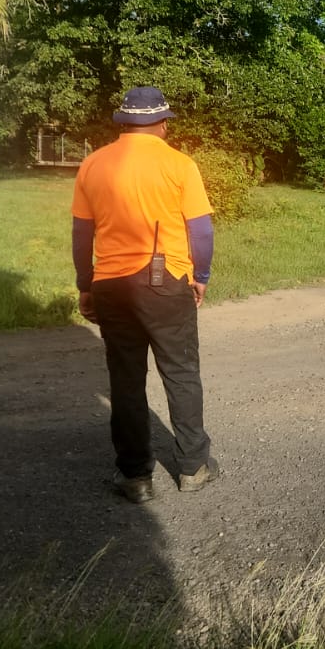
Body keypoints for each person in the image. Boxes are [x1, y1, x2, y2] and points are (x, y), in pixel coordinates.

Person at [72, 86, 219, 503]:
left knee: (126, 380)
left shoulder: (93, 164)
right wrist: (201, 275)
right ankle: (192, 467)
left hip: (112, 285)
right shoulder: (179, 164)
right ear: (163, 124)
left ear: (123, 124)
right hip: (166, 279)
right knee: (182, 372)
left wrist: (86, 285)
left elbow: (82, 234)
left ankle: (135, 476)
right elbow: (201, 230)